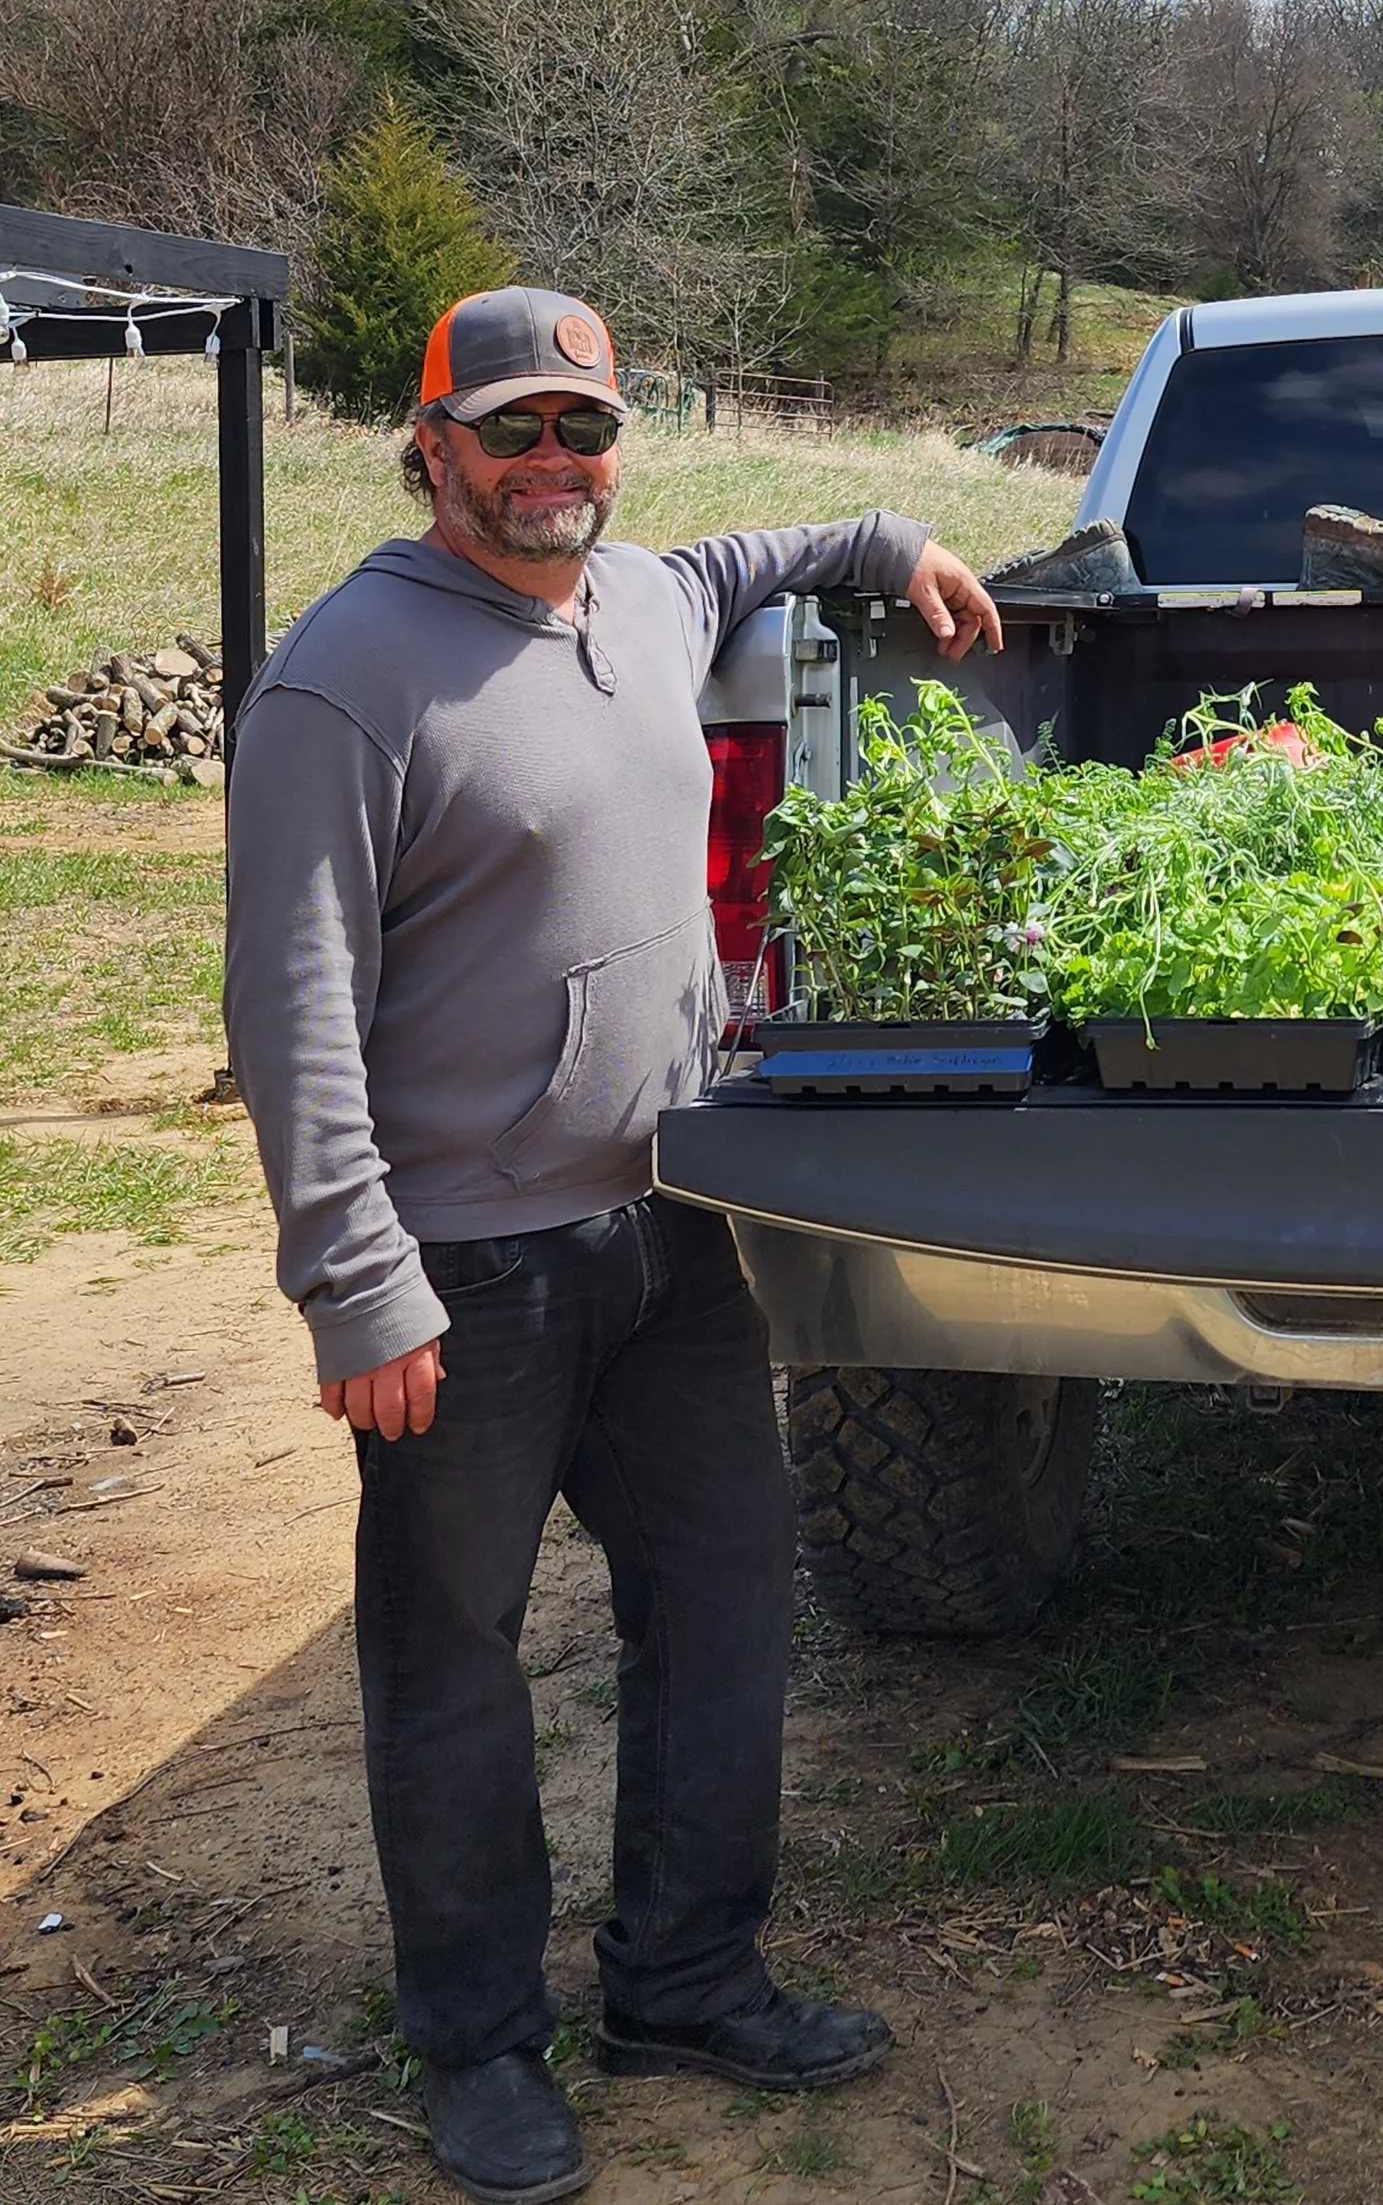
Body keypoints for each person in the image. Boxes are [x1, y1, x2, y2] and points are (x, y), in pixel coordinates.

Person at [225, 285, 1002, 2205]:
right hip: (465, 1268)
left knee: (728, 1606)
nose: (552, 463)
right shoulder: (348, 680)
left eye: (585, 427)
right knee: (453, 1664)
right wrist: (355, 1278)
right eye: (512, 430)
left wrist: (894, 540)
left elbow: (766, 546)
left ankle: (686, 1978)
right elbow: (292, 1002)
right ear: (432, 444)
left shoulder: (645, 596)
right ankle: (479, 2049)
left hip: (667, 1231)